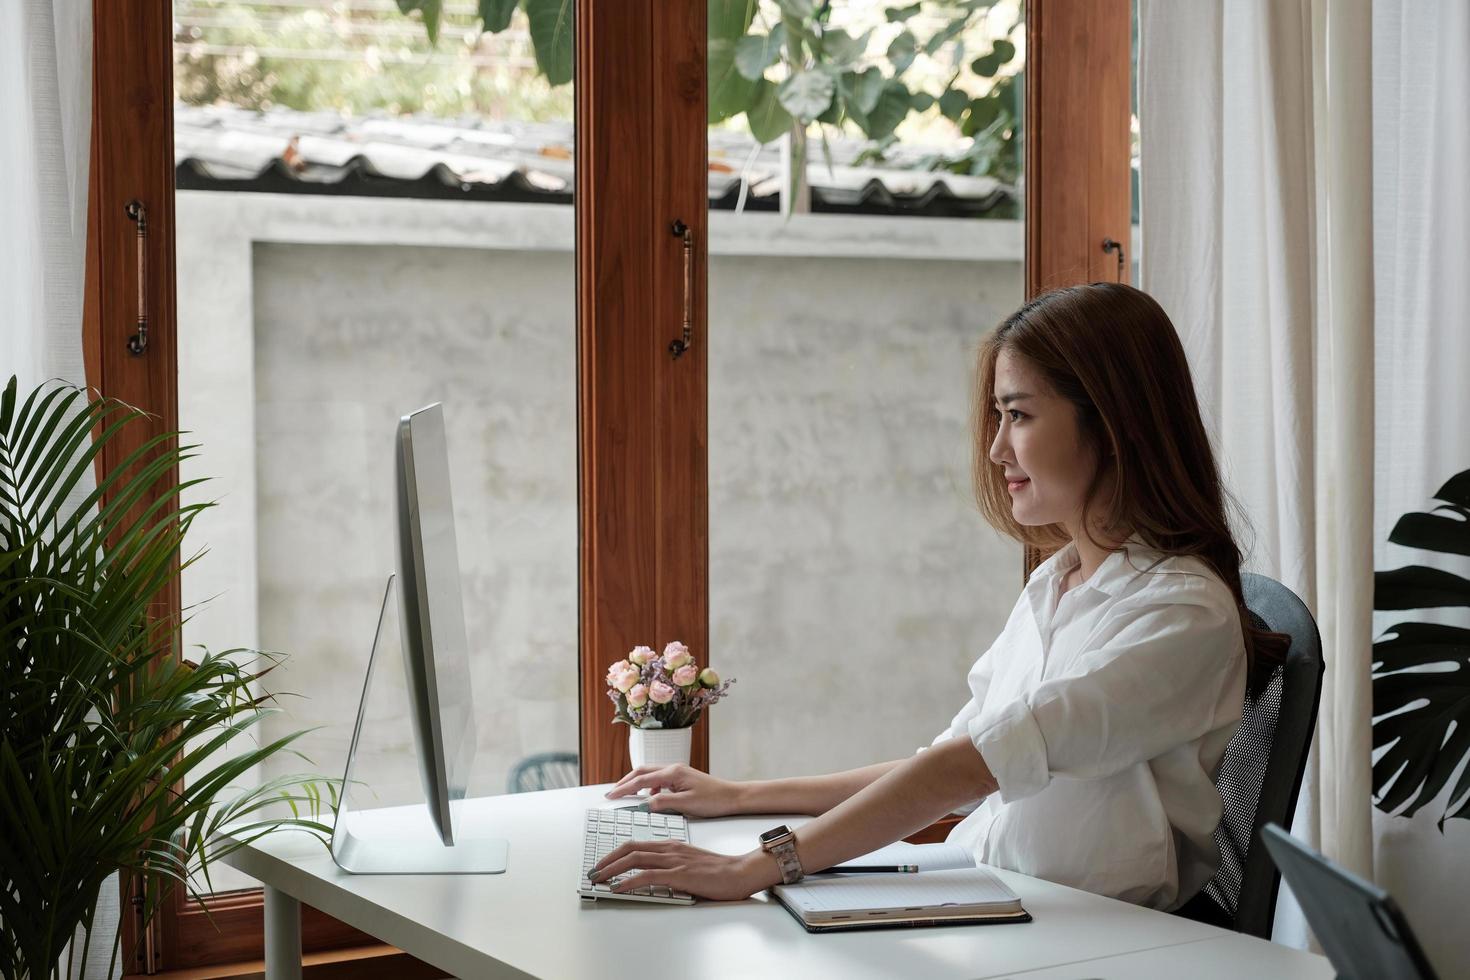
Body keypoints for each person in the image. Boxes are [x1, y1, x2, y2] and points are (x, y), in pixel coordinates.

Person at [587, 282, 1287, 910]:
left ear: (1111, 424)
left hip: (1090, 938)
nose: (996, 450)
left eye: (1019, 415)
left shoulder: (1180, 612)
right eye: (998, 416)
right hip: (1003, 900)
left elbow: (966, 768)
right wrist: (739, 796)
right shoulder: (1057, 584)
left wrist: (755, 866)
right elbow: (947, 761)